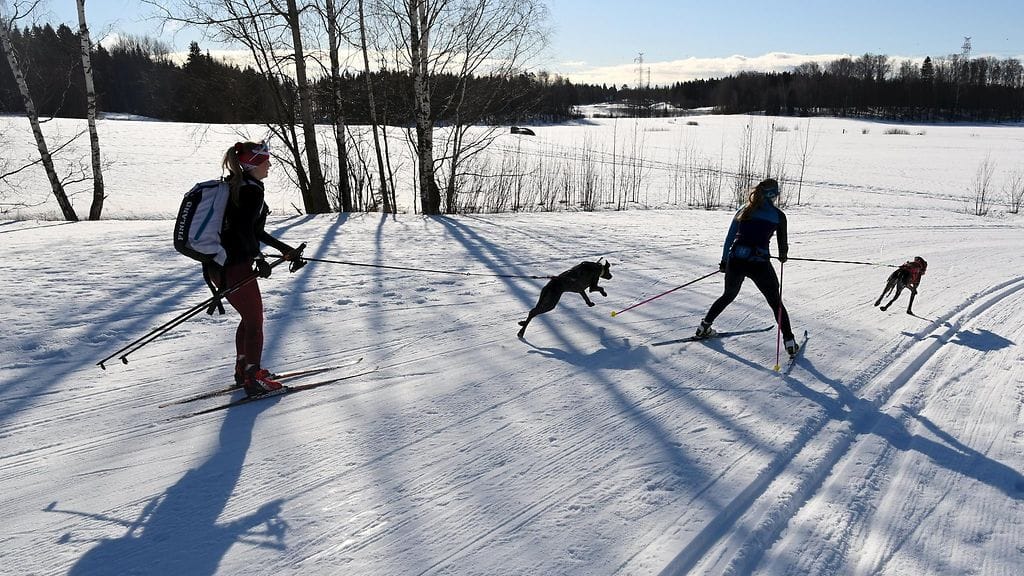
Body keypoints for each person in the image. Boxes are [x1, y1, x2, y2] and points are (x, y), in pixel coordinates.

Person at [210, 141, 303, 397]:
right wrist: (257, 256)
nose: (270, 165)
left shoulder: (236, 185)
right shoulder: (251, 191)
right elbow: (242, 231)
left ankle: (243, 370)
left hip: (219, 265)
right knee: (255, 320)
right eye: (266, 161)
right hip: (234, 265)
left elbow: (254, 230)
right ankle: (253, 377)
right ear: (253, 165)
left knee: (249, 318)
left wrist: (286, 249)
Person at [695, 178, 799, 356]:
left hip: (736, 260)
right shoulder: (779, 216)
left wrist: (724, 261)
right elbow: (783, 247)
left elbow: (729, 238)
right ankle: (789, 341)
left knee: (728, 295)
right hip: (759, 264)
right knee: (775, 303)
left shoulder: (745, 209)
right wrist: (783, 256)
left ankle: (704, 327)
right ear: (774, 195)